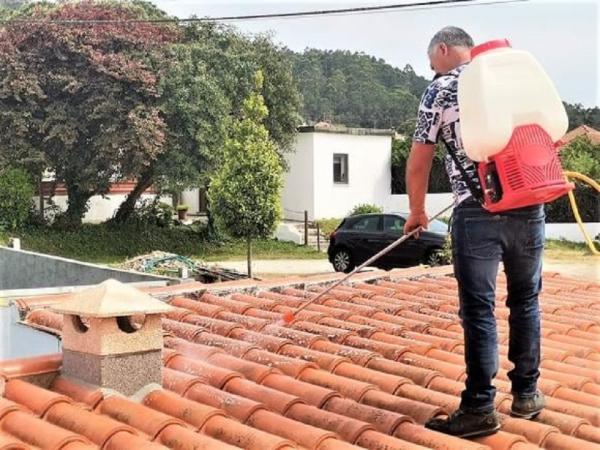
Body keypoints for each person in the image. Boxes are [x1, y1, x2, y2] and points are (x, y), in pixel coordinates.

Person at [404, 26, 546, 438]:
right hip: (529, 202)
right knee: (525, 301)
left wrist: (417, 211)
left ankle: (480, 407)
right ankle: (526, 394)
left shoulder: (440, 89)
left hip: (477, 210)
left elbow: (419, 160)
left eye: (431, 62)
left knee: (479, 309)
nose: (431, 69)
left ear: (443, 49)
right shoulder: (508, 75)